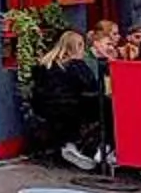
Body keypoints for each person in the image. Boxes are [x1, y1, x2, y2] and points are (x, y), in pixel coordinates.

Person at [28, 30, 110, 171]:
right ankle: (103, 147)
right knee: (108, 108)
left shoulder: (44, 65)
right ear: (78, 46)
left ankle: (69, 145)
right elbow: (92, 87)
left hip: (45, 109)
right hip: (73, 108)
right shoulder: (77, 66)